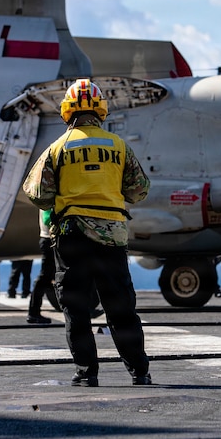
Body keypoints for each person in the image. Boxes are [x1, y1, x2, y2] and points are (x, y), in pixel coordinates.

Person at [23, 78, 152, 387]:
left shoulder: (57, 148)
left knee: (77, 309)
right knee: (121, 308)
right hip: (112, 239)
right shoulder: (118, 146)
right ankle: (140, 372)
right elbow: (139, 191)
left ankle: (86, 374)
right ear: (101, 110)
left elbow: (36, 193)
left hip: (72, 237)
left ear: (68, 112)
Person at [27, 210, 61, 324]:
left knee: (46, 277)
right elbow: (48, 219)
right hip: (50, 239)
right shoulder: (48, 202)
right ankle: (33, 312)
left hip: (48, 239)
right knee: (45, 277)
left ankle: (34, 311)